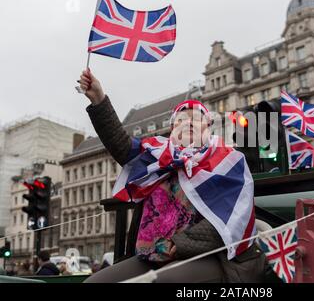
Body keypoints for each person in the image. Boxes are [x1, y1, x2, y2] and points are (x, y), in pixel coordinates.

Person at [78, 69, 268, 283]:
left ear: (208, 127)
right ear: (172, 128)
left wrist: (180, 244)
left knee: (162, 282)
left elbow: (233, 217)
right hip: (153, 254)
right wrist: (98, 99)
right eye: (181, 119)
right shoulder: (157, 156)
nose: (188, 123)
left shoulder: (228, 160)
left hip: (212, 255)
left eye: (196, 118)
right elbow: (120, 144)